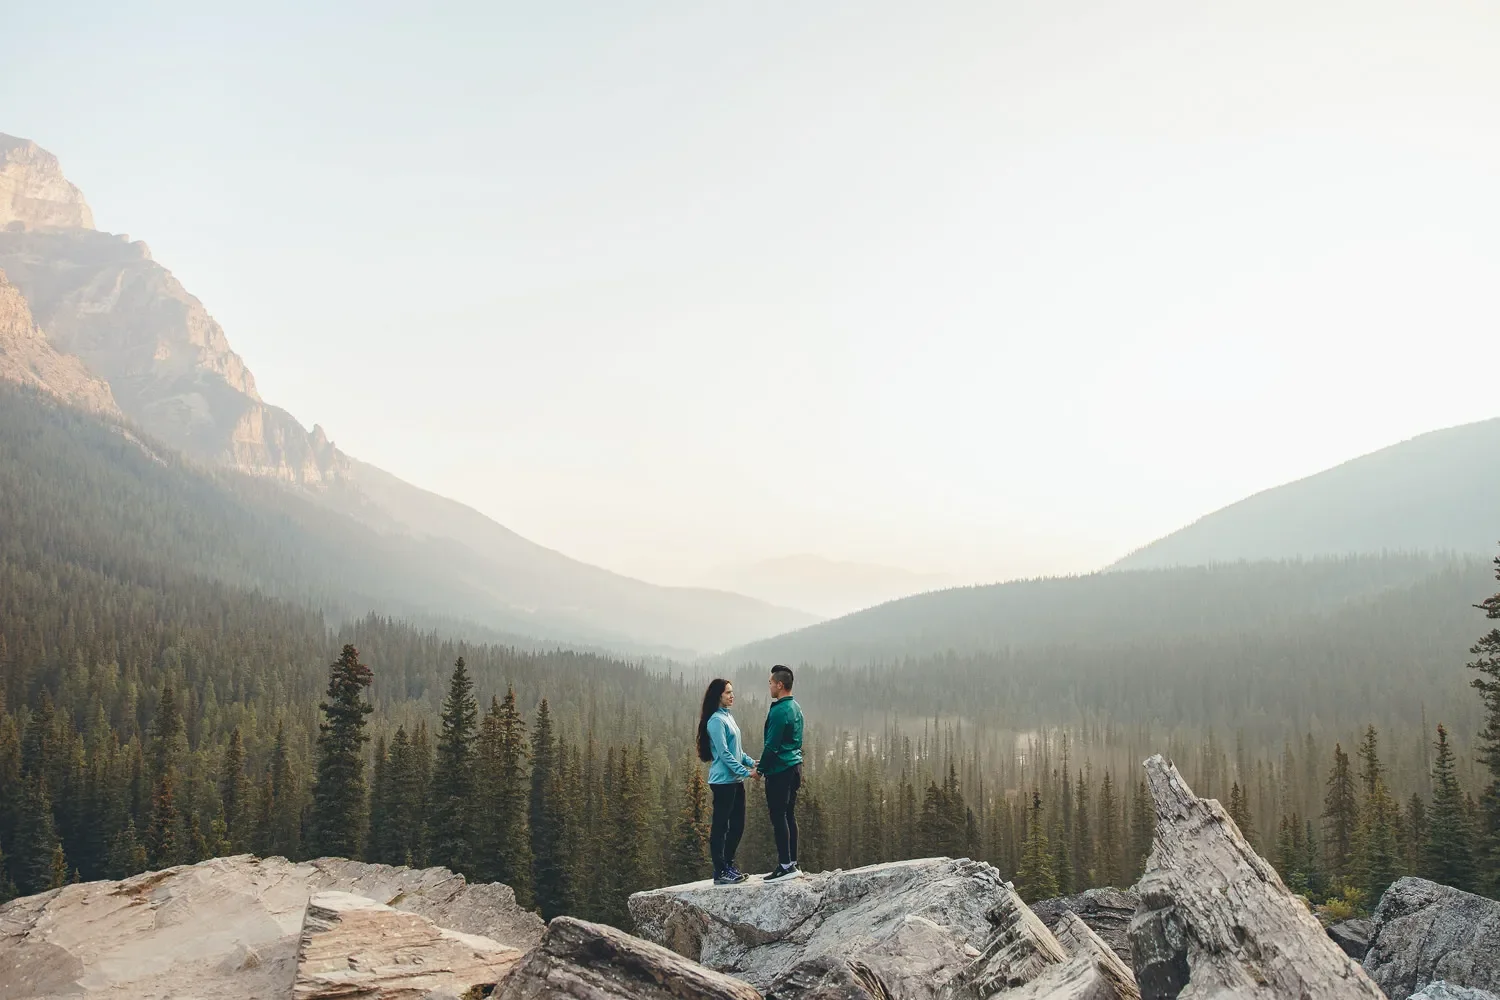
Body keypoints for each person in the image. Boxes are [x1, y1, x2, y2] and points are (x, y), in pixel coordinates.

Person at [697, 677, 756, 885]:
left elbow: (737, 751)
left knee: (738, 825)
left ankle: (728, 865)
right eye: (728, 693)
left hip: (735, 779)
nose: (732, 696)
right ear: (718, 696)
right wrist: (747, 773)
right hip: (723, 781)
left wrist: (752, 763)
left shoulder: (728, 717)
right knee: (721, 826)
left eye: (732, 692)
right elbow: (723, 754)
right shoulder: (715, 721)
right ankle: (720, 871)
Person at [757, 664, 804, 881]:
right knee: (789, 814)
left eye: (770, 683)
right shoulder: (796, 707)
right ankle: (793, 862)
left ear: (780, 685)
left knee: (778, 816)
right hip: (795, 767)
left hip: (780, 771)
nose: (769, 686)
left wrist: (760, 770)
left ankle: (785, 866)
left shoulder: (778, 711)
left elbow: (772, 746)